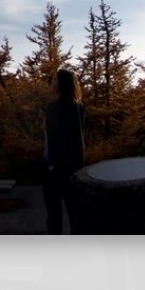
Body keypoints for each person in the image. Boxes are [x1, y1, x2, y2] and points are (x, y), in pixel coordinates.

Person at [42, 68, 85, 234]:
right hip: (72, 167)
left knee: (54, 213)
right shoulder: (79, 107)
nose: (52, 83)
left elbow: (52, 138)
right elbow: (79, 140)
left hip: (54, 167)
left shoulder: (53, 107)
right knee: (74, 211)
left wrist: (51, 163)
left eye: (55, 80)